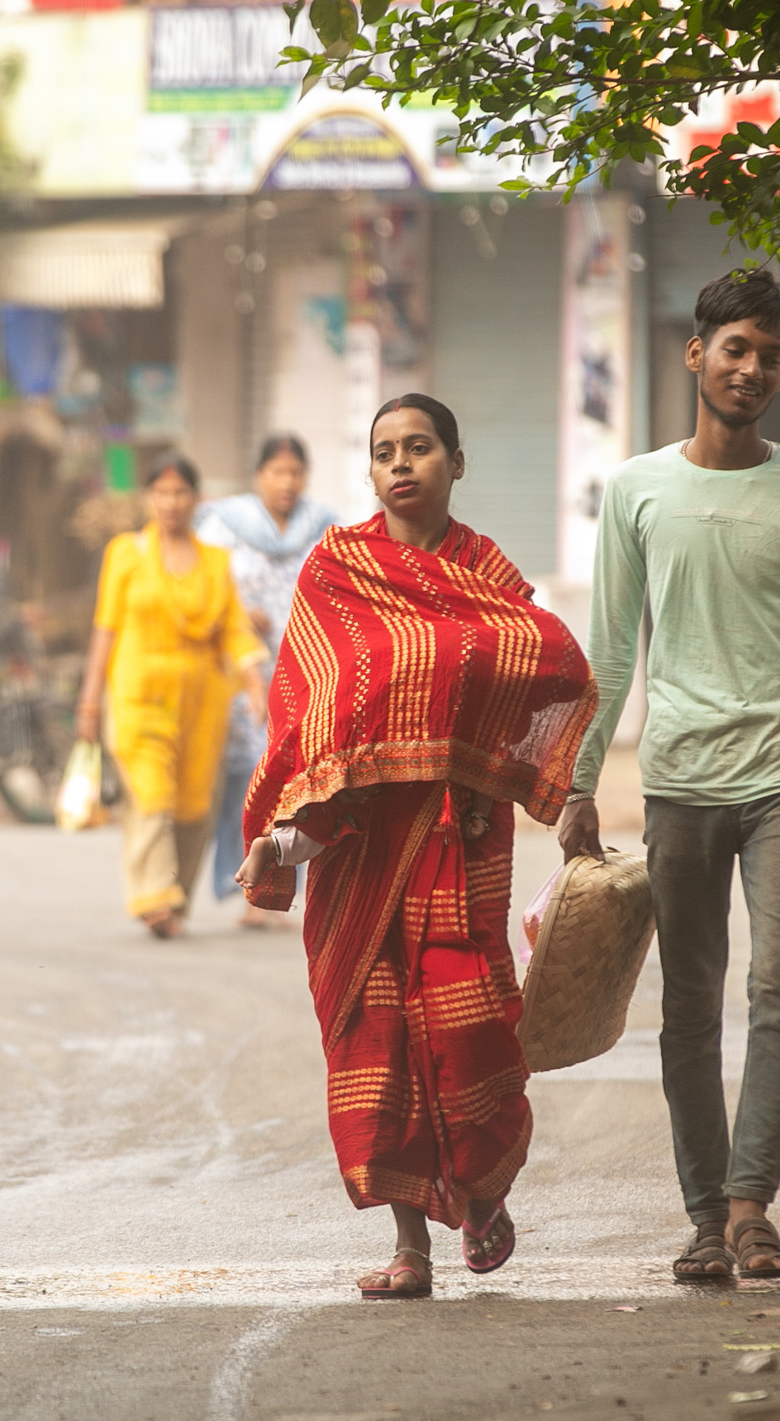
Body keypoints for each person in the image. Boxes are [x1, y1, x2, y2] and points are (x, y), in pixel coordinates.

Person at [557, 269, 780, 1283]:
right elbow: (612, 648)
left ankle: (751, 1210)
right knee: (690, 1004)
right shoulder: (638, 490)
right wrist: (578, 782)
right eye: (735, 349)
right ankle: (704, 1216)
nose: (751, 370)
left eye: (770, 356)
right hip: (682, 777)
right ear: (697, 353)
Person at [235, 394, 594, 1299]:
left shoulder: (489, 577)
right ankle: (410, 1249)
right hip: (357, 848)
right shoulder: (336, 572)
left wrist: (552, 787)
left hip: (461, 840)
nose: (401, 464)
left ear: (456, 462)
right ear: (369, 472)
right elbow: (308, 717)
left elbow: (550, 663)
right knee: (380, 1041)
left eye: (421, 447)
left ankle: (481, 1189)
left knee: (470, 1027)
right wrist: (281, 835)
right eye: (385, 451)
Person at [76, 454, 269, 939]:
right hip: (138, 696)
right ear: (149, 498)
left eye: (180, 492)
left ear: (196, 499)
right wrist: (90, 700)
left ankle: (174, 897)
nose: (171, 502)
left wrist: (254, 682)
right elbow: (105, 629)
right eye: (161, 492)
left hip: (202, 702)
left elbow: (234, 629)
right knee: (152, 793)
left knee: (193, 803)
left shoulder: (215, 562)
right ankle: (153, 896)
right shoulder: (126, 553)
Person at [194, 434, 339, 928]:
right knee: (248, 779)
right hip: (242, 671)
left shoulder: (325, 527)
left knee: (294, 779)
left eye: (295, 472)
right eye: (277, 472)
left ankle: (276, 890)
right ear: (259, 476)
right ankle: (244, 885)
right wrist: (237, 612)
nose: (287, 482)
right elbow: (203, 586)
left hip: (306, 670)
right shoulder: (222, 525)